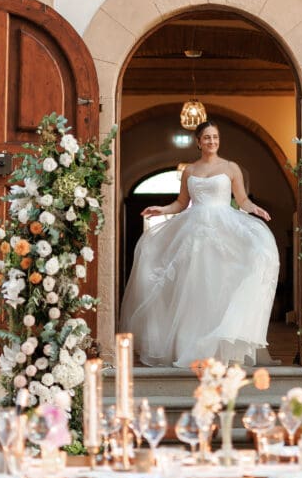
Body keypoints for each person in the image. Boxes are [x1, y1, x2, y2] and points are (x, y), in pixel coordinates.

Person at [120, 120, 280, 368]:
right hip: (194, 233)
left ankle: (222, 348)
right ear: (198, 141)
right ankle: (192, 348)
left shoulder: (230, 168)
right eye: (207, 138)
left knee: (223, 285)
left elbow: (242, 200)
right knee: (194, 288)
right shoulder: (190, 171)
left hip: (224, 229)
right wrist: (161, 209)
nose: (212, 142)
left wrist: (255, 210)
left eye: (215, 137)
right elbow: (181, 203)